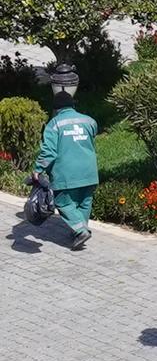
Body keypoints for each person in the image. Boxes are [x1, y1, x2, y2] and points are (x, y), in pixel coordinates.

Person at [28, 70, 97, 247]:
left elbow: (49, 151)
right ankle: (80, 230)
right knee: (84, 201)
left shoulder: (55, 124)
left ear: (57, 108)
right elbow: (92, 139)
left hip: (67, 173)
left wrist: (38, 170)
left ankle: (80, 230)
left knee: (63, 201)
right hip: (89, 172)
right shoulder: (89, 121)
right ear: (73, 105)